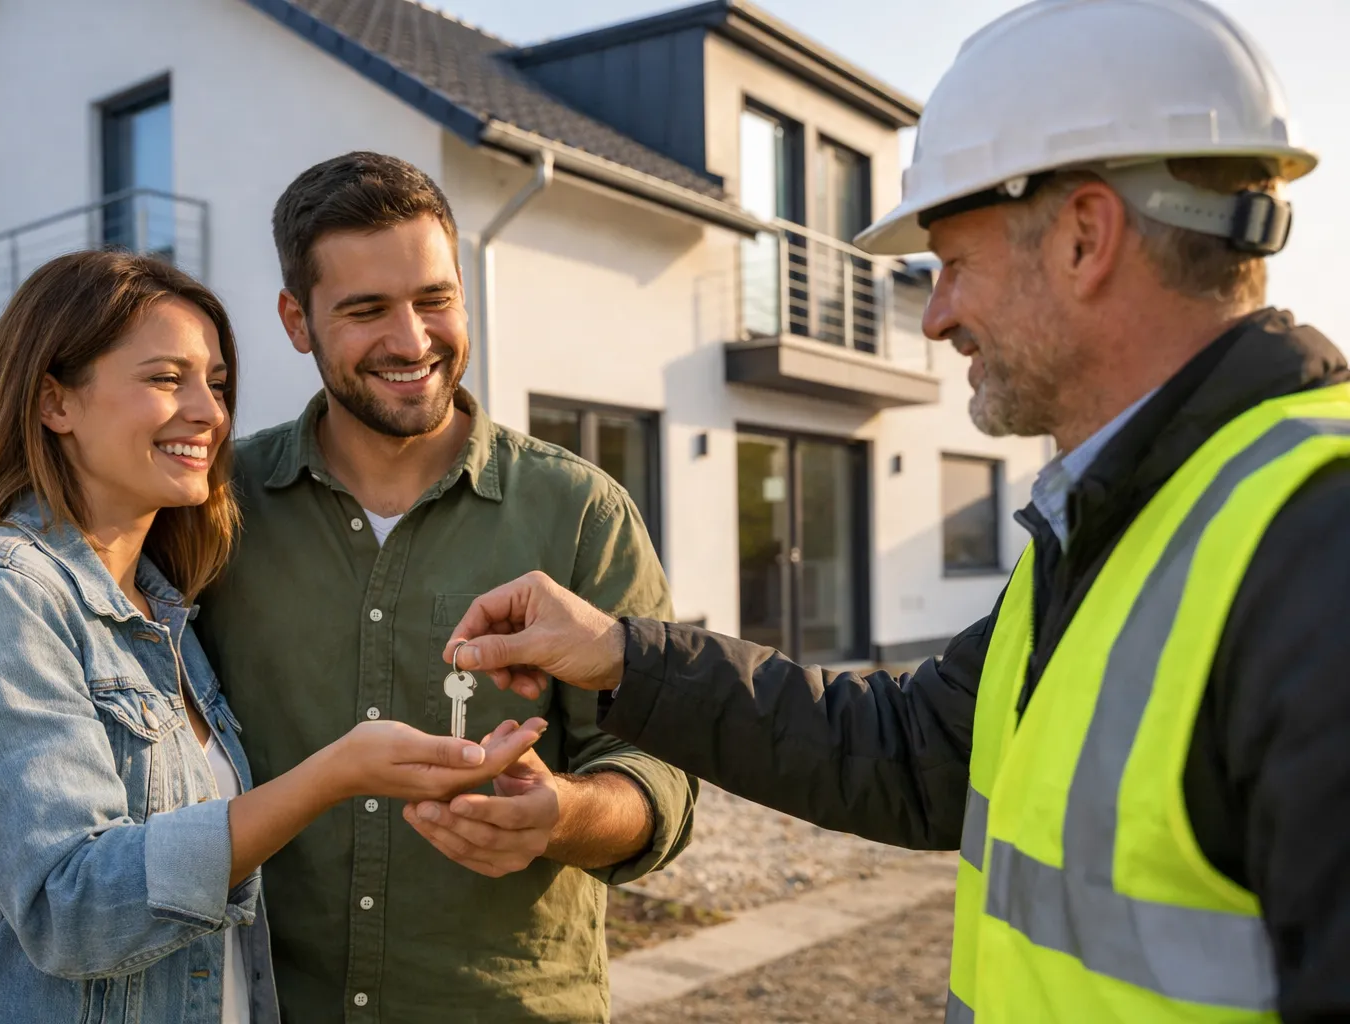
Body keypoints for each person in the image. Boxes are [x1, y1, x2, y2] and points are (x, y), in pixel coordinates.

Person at [430, 2, 1350, 1021]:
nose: (940, 311)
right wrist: (618, 654)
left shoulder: (1315, 540)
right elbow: (912, 750)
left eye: (954, 262)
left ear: (1086, 238)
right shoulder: (1128, 519)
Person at [0, 154, 694, 1023]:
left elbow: (661, 773)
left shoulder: (579, 513)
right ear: (296, 321)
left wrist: (563, 814)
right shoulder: (214, 517)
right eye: (366, 309)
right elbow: (60, 816)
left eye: (434, 299)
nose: (412, 340)